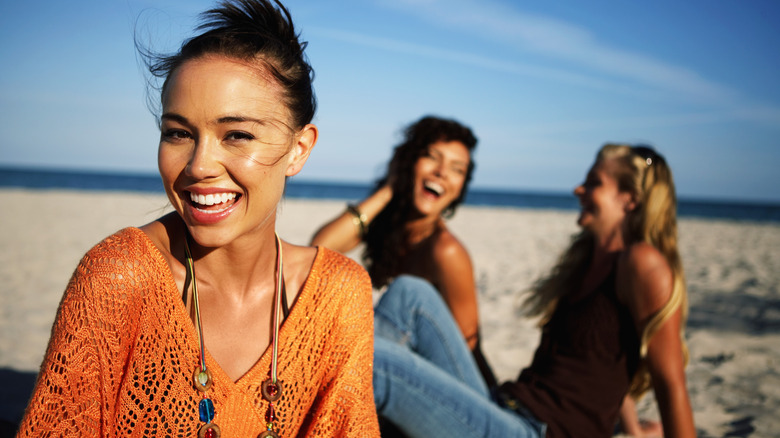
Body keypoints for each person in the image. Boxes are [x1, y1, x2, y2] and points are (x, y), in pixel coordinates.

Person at [17, 1, 379, 436]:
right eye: (178, 133)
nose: (199, 165)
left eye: (237, 135)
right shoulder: (120, 278)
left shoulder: (337, 295)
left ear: (299, 149)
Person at [372, 144, 696, 437]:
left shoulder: (643, 263)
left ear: (630, 200)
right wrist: (634, 430)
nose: (578, 189)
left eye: (594, 183)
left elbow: (670, 383)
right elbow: (607, 368)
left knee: (373, 361)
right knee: (410, 293)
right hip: (506, 407)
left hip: (537, 433)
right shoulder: (588, 262)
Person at [310, 115, 497, 386]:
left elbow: (466, 352)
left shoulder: (446, 252)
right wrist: (389, 188)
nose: (442, 172)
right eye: (432, 157)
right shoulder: (392, 229)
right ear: (409, 162)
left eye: (457, 169)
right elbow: (320, 248)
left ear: (460, 189)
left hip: (448, 393)